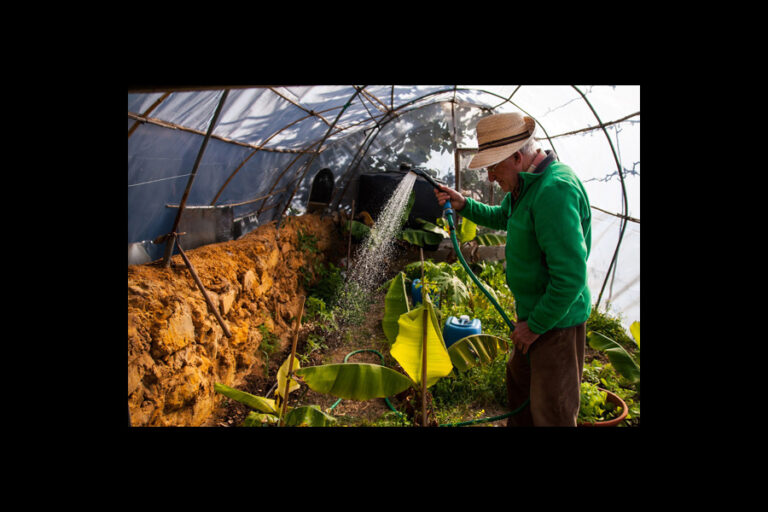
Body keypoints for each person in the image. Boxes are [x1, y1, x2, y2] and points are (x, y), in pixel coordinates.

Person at [434, 112, 592, 427]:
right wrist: (465, 205)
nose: (491, 177)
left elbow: (571, 277)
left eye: (493, 167)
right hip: (533, 318)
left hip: (555, 325)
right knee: (520, 396)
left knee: (552, 413)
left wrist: (535, 326)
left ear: (517, 157)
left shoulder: (554, 191)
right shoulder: (526, 187)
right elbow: (504, 216)